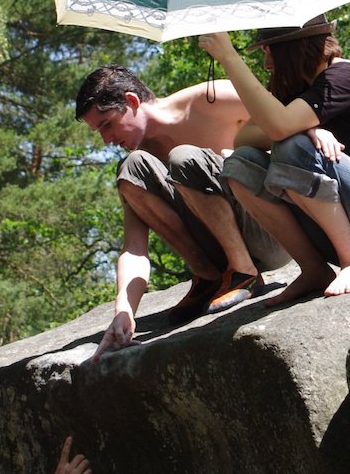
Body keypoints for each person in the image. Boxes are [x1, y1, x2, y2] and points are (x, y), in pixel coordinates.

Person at [198, 15, 350, 305]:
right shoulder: (299, 93)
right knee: (241, 164)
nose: (267, 65)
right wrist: (308, 127)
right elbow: (244, 139)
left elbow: (279, 128)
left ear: (289, 50)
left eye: (268, 53)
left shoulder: (347, 75)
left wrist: (228, 56)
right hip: (338, 230)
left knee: (293, 146)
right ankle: (314, 269)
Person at [75, 66, 291, 360]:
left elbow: (287, 120)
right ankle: (210, 277)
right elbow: (135, 249)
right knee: (131, 168)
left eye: (106, 124)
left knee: (184, 157)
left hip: (272, 229)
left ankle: (245, 274)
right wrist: (123, 312)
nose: (106, 140)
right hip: (219, 248)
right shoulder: (139, 163)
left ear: (132, 101)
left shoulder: (211, 98)